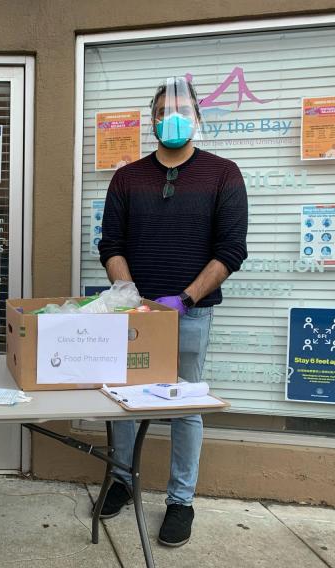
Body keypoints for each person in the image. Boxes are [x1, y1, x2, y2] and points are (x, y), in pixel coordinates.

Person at [98, 77, 248, 547]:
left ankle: (180, 501)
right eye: (163, 111)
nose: (172, 118)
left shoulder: (224, 174)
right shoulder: (127, 177)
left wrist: (184, 300)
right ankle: (122, 479)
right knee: (124, 399)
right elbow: (111, 245)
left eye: (181, 110)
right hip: (136, 314)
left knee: (184, 407)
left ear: (198, 118)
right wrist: (132, 298)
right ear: (153, 121)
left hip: (191, 314)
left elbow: (231, 250)